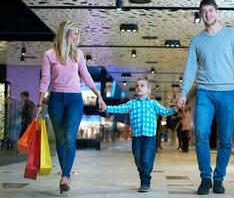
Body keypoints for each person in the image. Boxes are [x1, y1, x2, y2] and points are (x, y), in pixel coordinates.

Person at [177, 0, 234, 195]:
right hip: (204, 93)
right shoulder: (197, 41)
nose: (208, 15)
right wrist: (183, 92)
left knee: (226, 139)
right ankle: (205, 178)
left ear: (217, 12)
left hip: (228, 92)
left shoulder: (232, 35)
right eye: (204, 12)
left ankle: (219, 178)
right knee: (201, 134)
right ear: (200, 14)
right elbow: (190, 69)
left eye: (211, 10)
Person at [35, 20, 106, 194]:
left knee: (68, 136)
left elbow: (87, 76)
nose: (78, 37)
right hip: (56, 100)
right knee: (59, 139)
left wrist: (99, 95)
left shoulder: (78, 54)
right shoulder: (49, 55)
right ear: (66, 33)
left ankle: (65, 175)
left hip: (74, 99)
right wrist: (39, 102)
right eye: (75, 33)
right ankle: (65, 173)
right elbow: (45, 79)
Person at [104, 78, 176, 192]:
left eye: (142, 85)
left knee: (146, 159)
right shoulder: (132, 104)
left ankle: (145, 182)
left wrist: (174, 108)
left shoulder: (153, 104)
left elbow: (164, 111)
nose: (139, 87)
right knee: (138, 159)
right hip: (137, 137)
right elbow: (119, 108)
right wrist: (106, 107)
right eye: (137, 86)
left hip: (150, 137)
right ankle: (143, 172)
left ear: (149, 90)